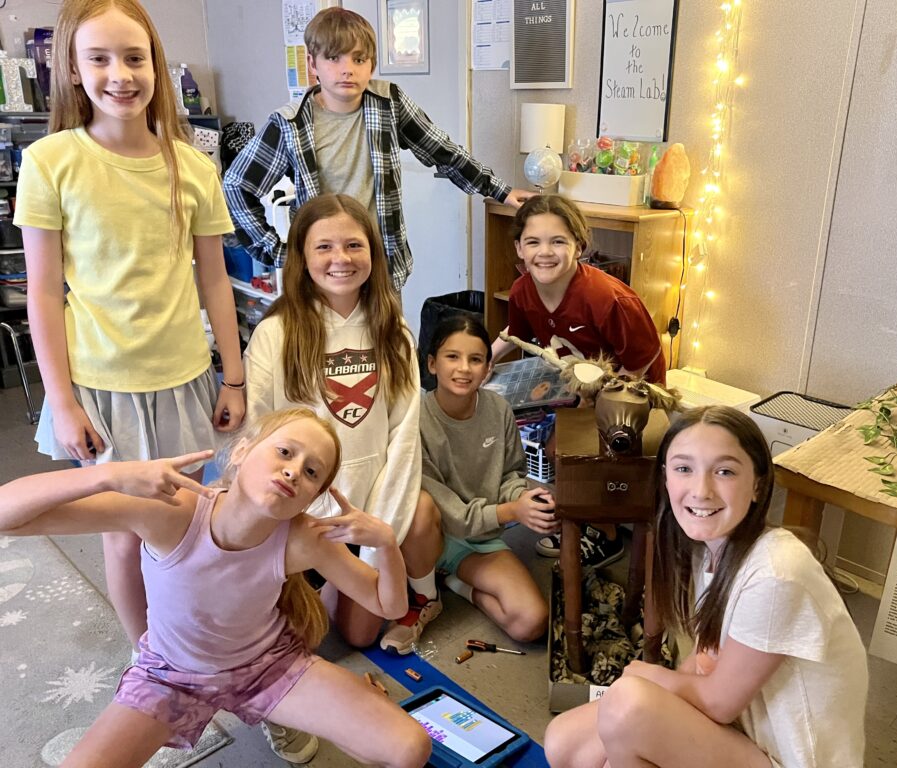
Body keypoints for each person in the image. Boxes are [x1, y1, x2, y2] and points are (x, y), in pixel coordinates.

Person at [0, 408, 431, 768]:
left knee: (410, 747)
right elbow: (7, 515)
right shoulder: (171, 512)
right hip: (171, 675)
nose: (293, 470)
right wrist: (109, 475)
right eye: (284, 451)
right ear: (242, 451)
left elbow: (387, 604)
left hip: (267, 667)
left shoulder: (303, 537)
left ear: (312, 496)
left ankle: (290, 714)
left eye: (311, 471)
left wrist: (387, 543)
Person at [14, 0, 245, 652]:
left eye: (135, 56)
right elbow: (42, 293)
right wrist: (61, 403)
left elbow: (214, 281)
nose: (121, 74)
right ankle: (149, 656)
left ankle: (193, 637)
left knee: (187, 526)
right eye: (100, 58)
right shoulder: (51, 161)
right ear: (73, 69)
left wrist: (233, 376)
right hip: (101, 390)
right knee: (123, 537)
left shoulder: (192, 165)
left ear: (156, 65)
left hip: (184, 379)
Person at [543, 406, 868, 768]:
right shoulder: (709, 551)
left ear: (758, 483)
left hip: (787, 758)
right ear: (665, 477)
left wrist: (647, 678)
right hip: (741, 734)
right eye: (684, 468)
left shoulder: (778, 573)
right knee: (563, 741)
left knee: (628, 706)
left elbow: (718, 702)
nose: (701, 490)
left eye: (724, 471)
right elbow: (703, 664)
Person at [245, 193, 443, 661]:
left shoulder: (392, 328)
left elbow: (403, 437)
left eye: (354, 246)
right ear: (302, 256)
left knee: (358, 634)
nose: (341, 259)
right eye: (324, 247)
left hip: (372, 507)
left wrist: (379, 536)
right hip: (305, 515)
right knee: (304, 637)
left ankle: (422, 593)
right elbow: (258, 438)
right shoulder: (275, 333)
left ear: (373, 252)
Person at [222, 7, 533, 294]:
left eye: (358, 60)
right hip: (322, 273)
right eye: (334, 58)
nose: (347, 70)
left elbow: (443, 151)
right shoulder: (289, 123)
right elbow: (237, 185)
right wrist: (280, 252)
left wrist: (500, 191)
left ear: (371, 64)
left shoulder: (388, 103)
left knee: (383, 350)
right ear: (312, 63)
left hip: (380, 266)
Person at [492, 193, 667, 565]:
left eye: (558, 241)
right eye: (533, 241)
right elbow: (515, 335)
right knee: (532, 436)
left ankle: (605, 535)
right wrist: (483, 362)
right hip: (576, 386)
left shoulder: (607, 299)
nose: (545, 252)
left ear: (579, 245)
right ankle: (576, 514)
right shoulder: (523, 290)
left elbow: (641, 368)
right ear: (519, 248)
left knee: (567, 449)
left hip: (629, 394)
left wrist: (592, 407)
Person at [418, 313, 556, 644]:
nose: (464, 368)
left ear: (487, 368)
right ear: (432, 364)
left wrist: (525, 499)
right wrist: (511, 512)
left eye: (475, 359)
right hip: (436, 536)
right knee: (423, 512)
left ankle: (457, 584)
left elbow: (511, 472)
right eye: (453, 356)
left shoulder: (497, 408)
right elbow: (450, 513)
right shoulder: (418, 421)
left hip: (481, 535)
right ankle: (432, 579)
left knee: (531, 622)